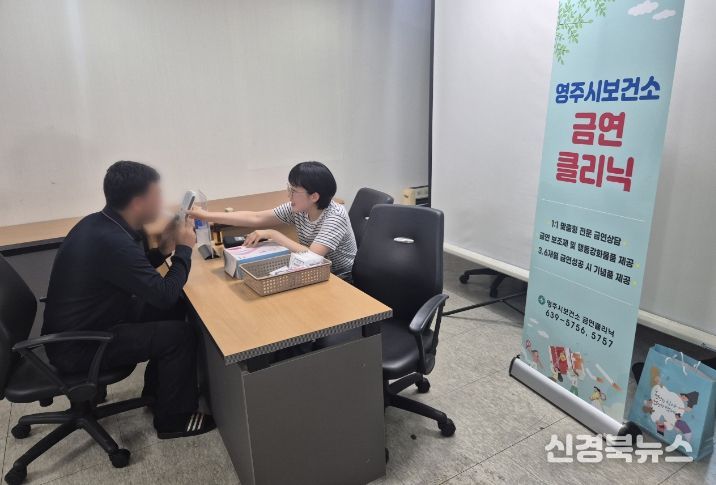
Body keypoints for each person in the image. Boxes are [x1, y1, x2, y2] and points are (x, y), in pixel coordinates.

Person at [42, 160, 215, 439]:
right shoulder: (113, 241)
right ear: (138, 202)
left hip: (88, 325)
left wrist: (163, 250)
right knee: (179, 335)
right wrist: (184, 249)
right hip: (81, 346)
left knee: (176, 308)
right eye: (157, 195)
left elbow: (133, 273)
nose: (162, 202)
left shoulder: (101, 225)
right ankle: (173, 420)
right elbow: (164, 295)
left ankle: (159, 394)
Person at [189, 161, 357, 275]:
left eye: (294, 191)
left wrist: (273, 234)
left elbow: (313, 256)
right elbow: (255, 217)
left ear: (314, 196)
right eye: (289, 188)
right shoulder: (299, 208)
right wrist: (206, 216)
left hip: (341, 278)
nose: (289, 195)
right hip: (313, 271)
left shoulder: (335, 216)